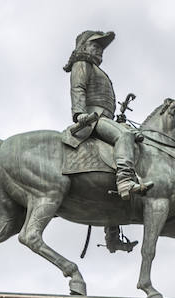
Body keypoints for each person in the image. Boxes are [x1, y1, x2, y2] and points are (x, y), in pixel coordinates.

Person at [63, 29, 153, 198]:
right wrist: (79, 113)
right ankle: (125, 181)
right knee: (124, 135)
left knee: (137, 137)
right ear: (83, 47)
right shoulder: (82, 63)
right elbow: (78, 88)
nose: (99, 49)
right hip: (93, 118)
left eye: (101, 47)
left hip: (105, 118)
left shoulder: (97, 69)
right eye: (94, 45)